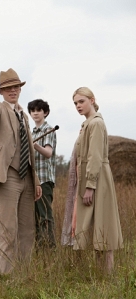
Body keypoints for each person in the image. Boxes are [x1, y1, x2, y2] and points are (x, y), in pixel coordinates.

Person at [0, 68, 42, 275]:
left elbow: (30, 150)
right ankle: (6, 276)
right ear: (1, 92)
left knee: (27, 229)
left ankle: (24, 274)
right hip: (8, 175)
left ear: (20, 89)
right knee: (8, 229)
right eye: (8, 88)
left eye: (15, 87)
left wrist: (37, 181)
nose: (12, 91)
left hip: (27, 177)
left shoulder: (23, 114)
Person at [71, 87, 123, 273]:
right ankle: (102, 274)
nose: (78, 105)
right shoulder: (88, 124)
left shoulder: (96, 124)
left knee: (104, 223)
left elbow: (94, 157)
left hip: (97, 179)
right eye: (75, 103)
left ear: (92, 100)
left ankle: (107, 274)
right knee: (96, 225)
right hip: (90, 178)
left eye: (81, 101)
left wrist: (90, 186)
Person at [27, 99, 57, 249]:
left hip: (45, 180)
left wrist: (35, 145)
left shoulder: (48, 130)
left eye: (39, 110)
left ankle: (50, 250)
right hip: (33, 181)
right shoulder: (31, 132)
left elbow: (48, 153)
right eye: (32, 111)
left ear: (45, 112)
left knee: (45, 216)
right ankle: (40, 251)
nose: (35, 113)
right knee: (35, 218)